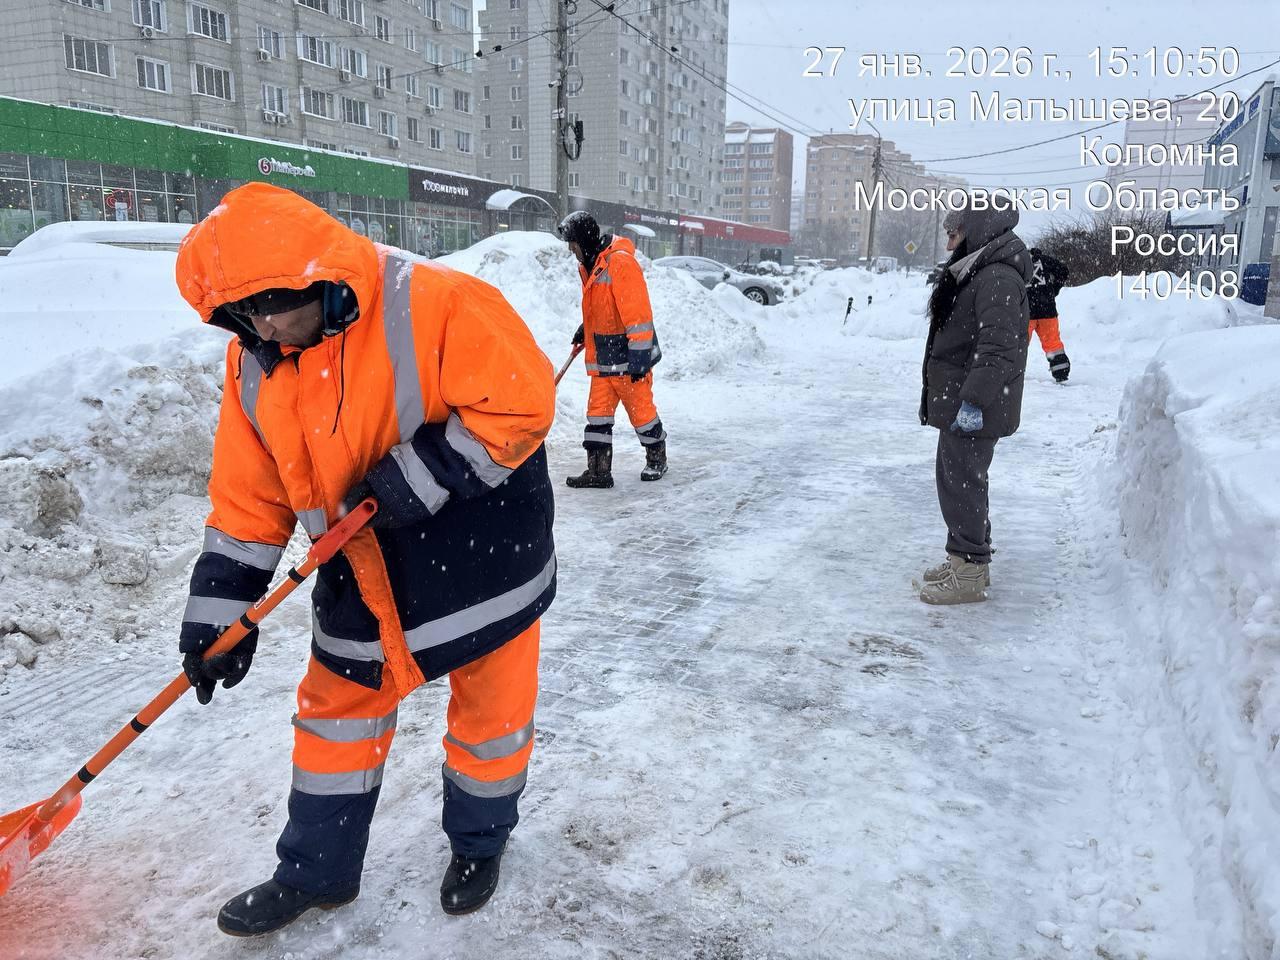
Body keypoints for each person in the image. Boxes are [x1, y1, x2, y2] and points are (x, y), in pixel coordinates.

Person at [173, 182, 557, 935]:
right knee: (334, 715)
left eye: (269, 307)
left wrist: (417, 478)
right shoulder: (255, 358)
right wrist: (219, 612)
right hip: (362, 569)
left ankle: (479, 843)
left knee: (491, 716)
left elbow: (522, 404)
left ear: (314, 280)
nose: (259, 327)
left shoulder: (438, 303)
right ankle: (316, 871)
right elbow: (250, 501)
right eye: (240, 315)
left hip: (483, 561)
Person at [917, 197, 1032, 604]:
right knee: (959, 482)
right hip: (963, 401)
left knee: (963, 483)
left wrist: (974, 401)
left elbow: (999, 349)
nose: (950, 246)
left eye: (955, 234)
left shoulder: (996, 277)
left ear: (979, 229)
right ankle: (966, 560)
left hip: (974, 405)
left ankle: (968, 571)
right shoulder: (981, 270)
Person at [557, 210, 667, 487]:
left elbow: (638, 314)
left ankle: (657, 460)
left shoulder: (619, 263)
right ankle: (598, 472)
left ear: (585, 239)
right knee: (597, 418)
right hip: (604, 359)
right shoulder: (591, 263)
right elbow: (604, 306)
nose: (572, 250)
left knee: (642, 414)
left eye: (574, 244)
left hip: (629, 360)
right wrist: (587, 327)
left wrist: (640, 357)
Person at [1026, 247, 1072, 382]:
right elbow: (1063, 271)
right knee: (1053, 343)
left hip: (1025, 312)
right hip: (1047, 310)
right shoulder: (1045, 260)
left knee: (1018, 345)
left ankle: (1010, 374)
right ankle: (1061, 372)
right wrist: (1053, 289)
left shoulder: (1017, 261)